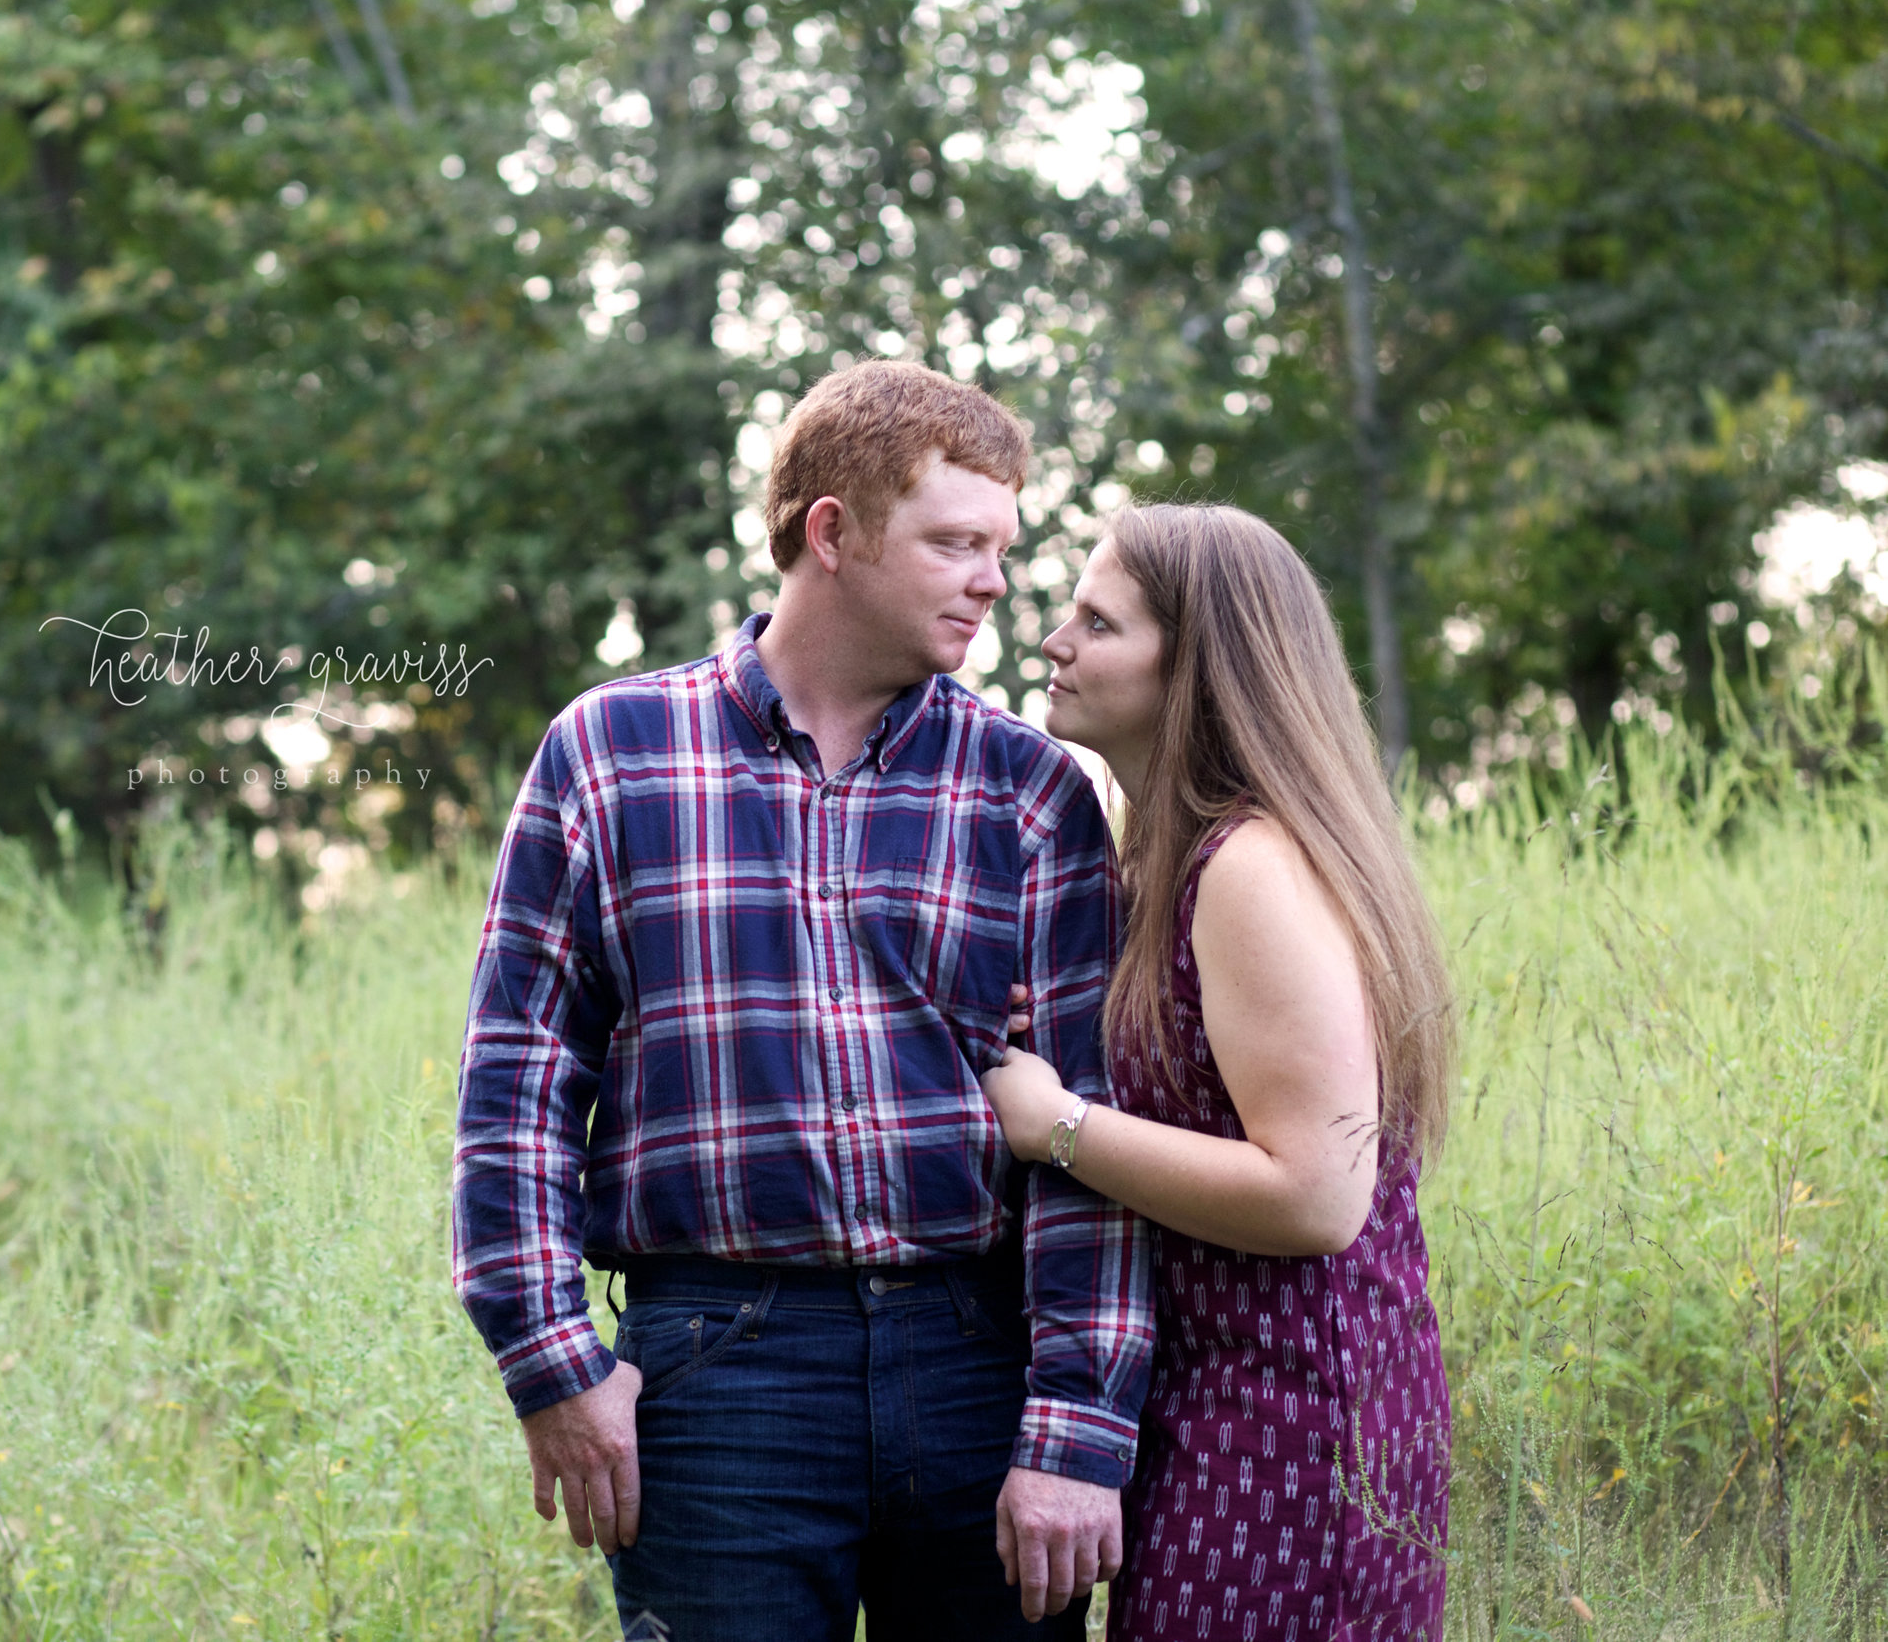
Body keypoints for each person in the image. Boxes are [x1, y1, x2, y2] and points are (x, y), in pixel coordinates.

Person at [451, 360, 1154, 1640]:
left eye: (1000, 543)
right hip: (721, 1369)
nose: (994, 579)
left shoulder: (1032, 791)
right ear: (830, 533)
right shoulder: (609, 755)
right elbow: (516, 1086)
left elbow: (1084, 1134)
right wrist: (551, 1362)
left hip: (976, 1357)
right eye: (955, 542)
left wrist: (1078, 1426)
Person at [981, 503, 1454, 1641]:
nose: (1053, 640)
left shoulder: (1247, 863)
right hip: (1223, 1395)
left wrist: (1057, 1121)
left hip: (1292, 1416)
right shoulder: (1167, 857)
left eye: (1098, 623)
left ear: (1194, 665)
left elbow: (1316, 1193)